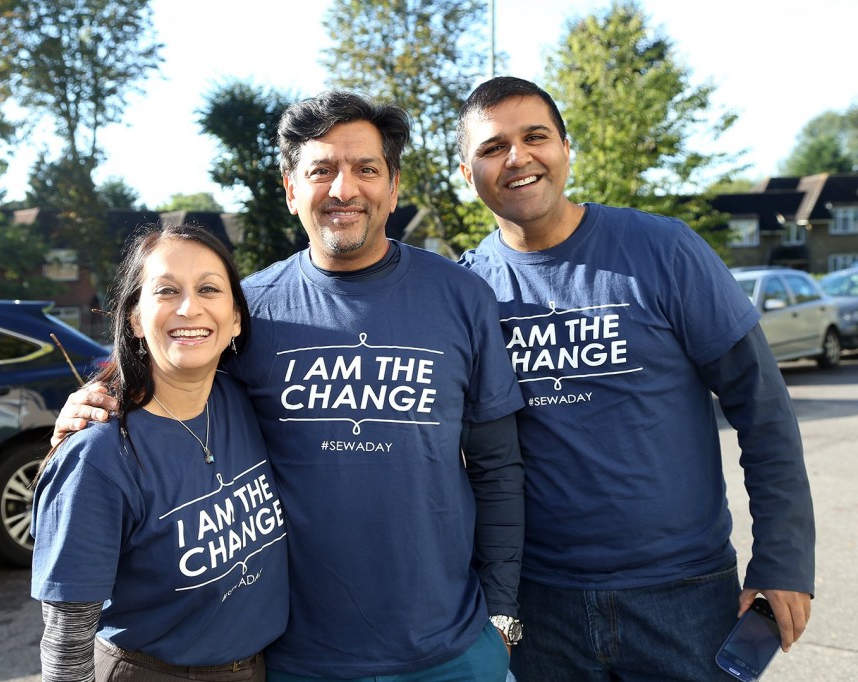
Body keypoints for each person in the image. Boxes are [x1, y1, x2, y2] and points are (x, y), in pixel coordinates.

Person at [52, 92, 526, 681]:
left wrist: (501, 616)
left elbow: (497, 467)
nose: (343, 189)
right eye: (321, 170)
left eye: (365, 169)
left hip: (453, 651)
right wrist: (93, 406)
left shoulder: (461, 297)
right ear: (290, 188)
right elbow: (174, 388)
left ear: (394, 185)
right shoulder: (246, 310)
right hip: (299, 658)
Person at [456, 76, 816, 681]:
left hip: (685, 595)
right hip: (541, 604)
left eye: (535, 136)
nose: (517, 157)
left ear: (566, 150)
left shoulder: (664, 250)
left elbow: (763, 408)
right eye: (492, 148)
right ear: (468, 175)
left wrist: (783, 559)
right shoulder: (466, 290)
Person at [31, 223, 289, 682]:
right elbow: (67, 643)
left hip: (257, 667)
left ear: (235, 318)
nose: (190, 308)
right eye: (166, 290)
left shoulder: (244, 402)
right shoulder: (98, 456)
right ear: (134, 318)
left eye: (209, 289)